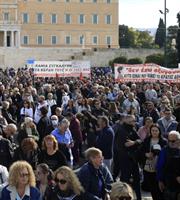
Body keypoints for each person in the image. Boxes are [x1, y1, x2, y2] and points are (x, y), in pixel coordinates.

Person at [112, 114, 142, 200]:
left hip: (133, 160)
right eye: (132, 121)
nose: (134, 122)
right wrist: (135, 144)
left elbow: (140, 140)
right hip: (124, 161)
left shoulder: (132, 129)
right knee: (124, 184)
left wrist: (134, 143)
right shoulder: (121, 130)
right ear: (126, 121)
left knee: (137, 181)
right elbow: (123, 146)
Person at [139, 124, 167, 200]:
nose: (154, 132)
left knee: (160, 188)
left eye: (156, 130)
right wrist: (146, 154)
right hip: (148, 167)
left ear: (159, 131)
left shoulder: (163, 141)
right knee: (152, 188)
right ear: (150, 131)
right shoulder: (147, 140)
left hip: (160, 167)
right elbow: (141, 151)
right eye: (153, 130)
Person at [157, 131, 180, 200]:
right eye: (169, 141)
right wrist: (160, 180)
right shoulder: (164, 150)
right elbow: (160, 166)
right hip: (168, 183)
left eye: (173, 141)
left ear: (179, 140)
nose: (170, 143)